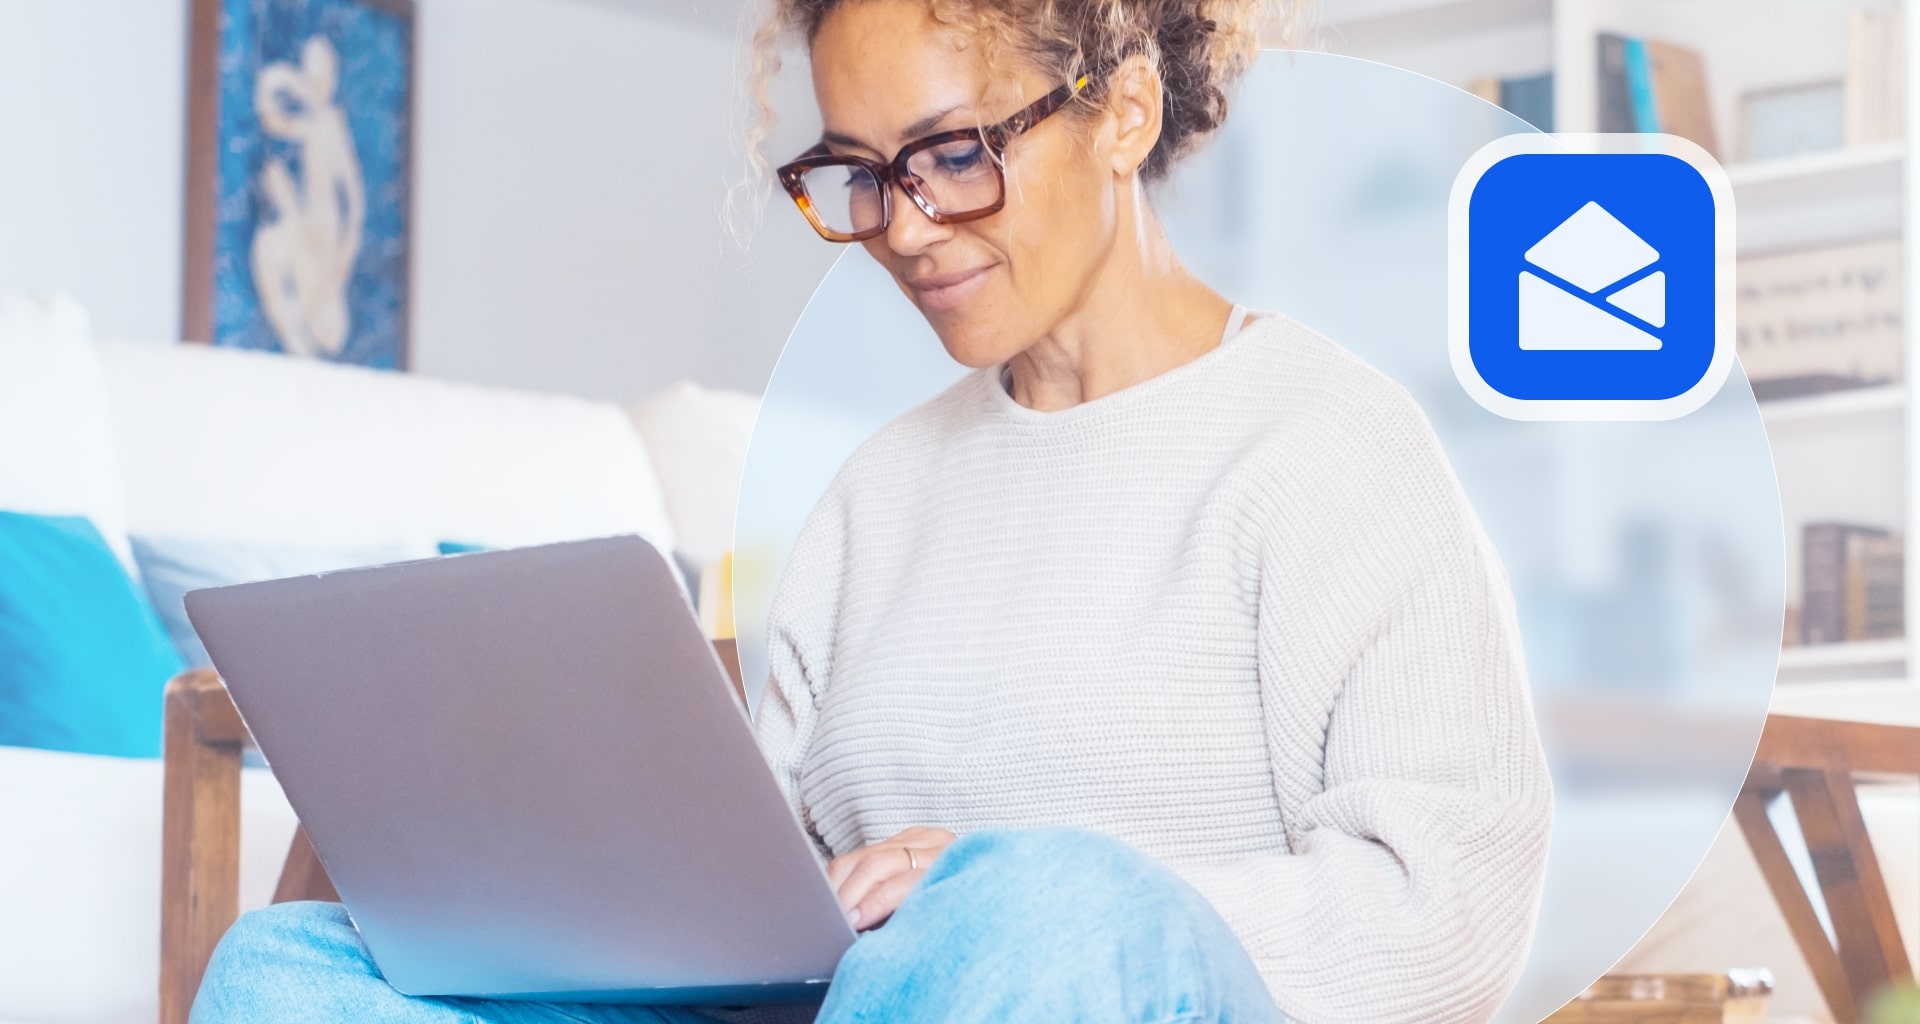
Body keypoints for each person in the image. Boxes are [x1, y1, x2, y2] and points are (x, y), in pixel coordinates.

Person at [191, 0, 1553, 1020]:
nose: (903, 226)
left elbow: (1451, 912)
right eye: (860, 171)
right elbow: (777, 887)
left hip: (1105, 982)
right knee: (285, 972)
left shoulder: (1325, 445)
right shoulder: (875, 495)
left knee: (1054, 911)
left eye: (953, 154)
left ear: (1124, 110)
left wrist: (992, 883)